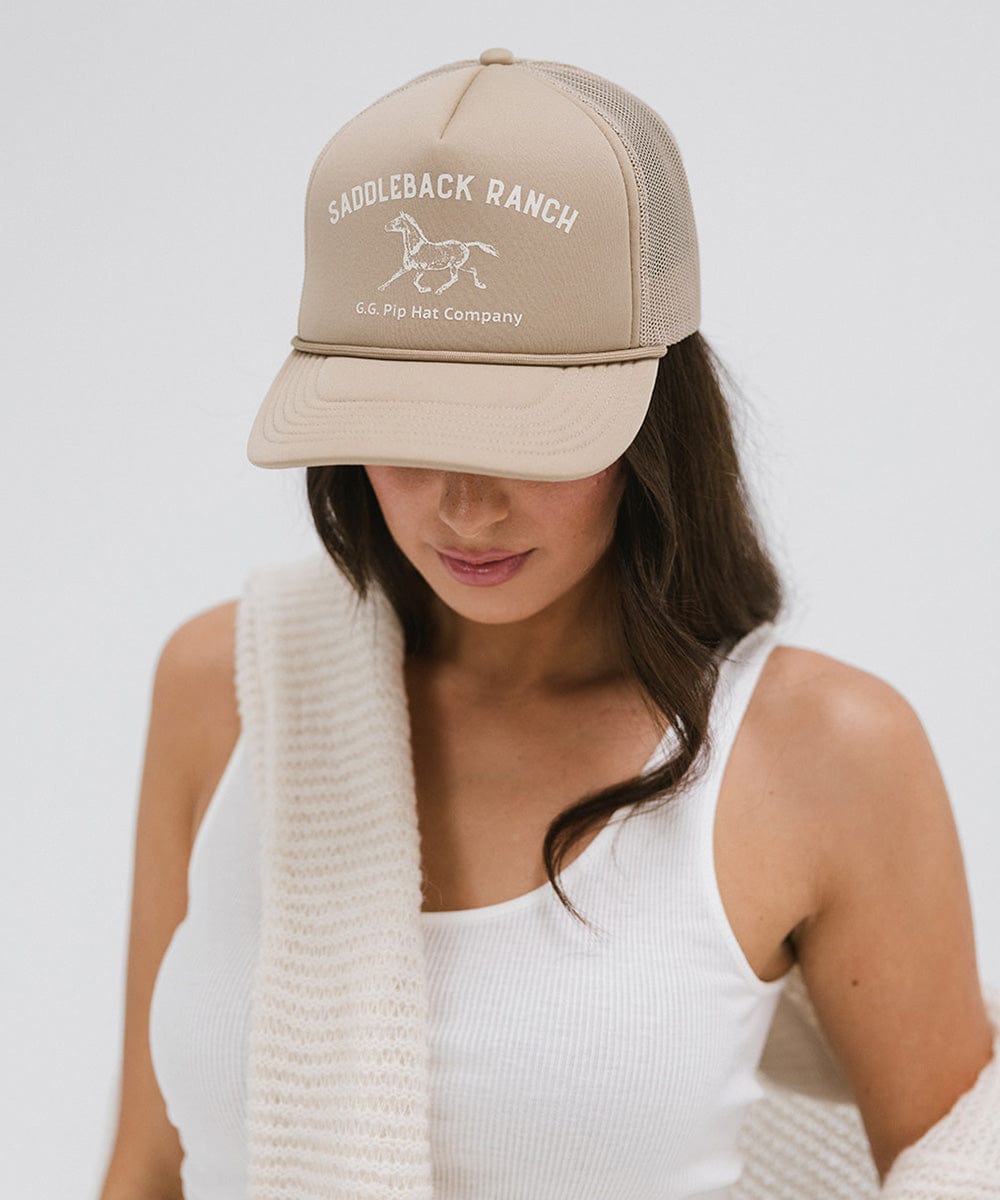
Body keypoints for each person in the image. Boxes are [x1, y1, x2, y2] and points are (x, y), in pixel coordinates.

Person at [98, 48, 997, 1200]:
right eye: (405, 426)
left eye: (530, 433)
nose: (466, 507)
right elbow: (144, 1164)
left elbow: (959, 1167)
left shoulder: (824, 755)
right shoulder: (226, 684)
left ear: (657, 413)